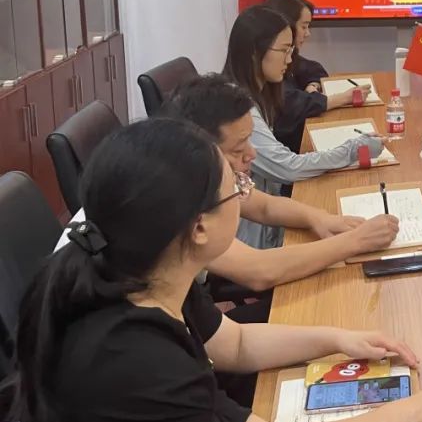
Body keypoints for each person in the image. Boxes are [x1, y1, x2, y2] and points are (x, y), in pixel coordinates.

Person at [10, 119, 422, 422]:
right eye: (236, 188)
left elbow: (234, 344)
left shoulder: (149, 271)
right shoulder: (134, 357)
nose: (243, 193)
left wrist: (338, 338)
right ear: (198, 227)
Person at [56, 75, 400, 294]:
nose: (252, 154)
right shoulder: (168, 204)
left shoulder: (177, 167)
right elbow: (259, 271)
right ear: (199, 146)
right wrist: (354, 242)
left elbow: (263, 205)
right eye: (238, 149)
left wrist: (318, 218)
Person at [223, 6, 383, 247]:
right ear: (255, 52)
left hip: (268, 219)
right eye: (284, 50)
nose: (290, 60)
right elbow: (287, 167)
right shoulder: (237, 110)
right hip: (253, 240)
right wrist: (352, 150)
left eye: (291, 50)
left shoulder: (258, 92)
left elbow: (267, 202)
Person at [264, 0, 364, 153]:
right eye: (304, 27)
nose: (308, 33)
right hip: (292, 151)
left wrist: (313, 86)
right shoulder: (268, 67)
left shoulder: (288, 58)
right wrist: (343, 98)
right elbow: (289, 104)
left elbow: (314, 69)